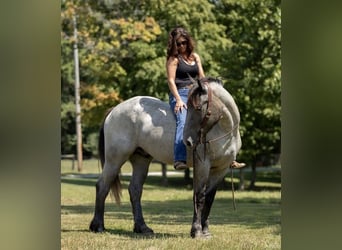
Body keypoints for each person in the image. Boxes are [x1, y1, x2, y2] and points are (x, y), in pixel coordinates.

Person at [166, 27, 246, 170]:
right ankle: (180, 159)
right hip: (181, 94)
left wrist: (210, 88)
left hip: (197, 93)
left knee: (222, 115)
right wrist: (178, 99)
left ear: (188, 42)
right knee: (183, 121)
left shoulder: (195, 57)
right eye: (178, 44)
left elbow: (201, 77)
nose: (181, 46)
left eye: (184, 42)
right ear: (174, 45)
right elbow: (171, 81)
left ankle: (230, 156)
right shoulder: (173, 59)